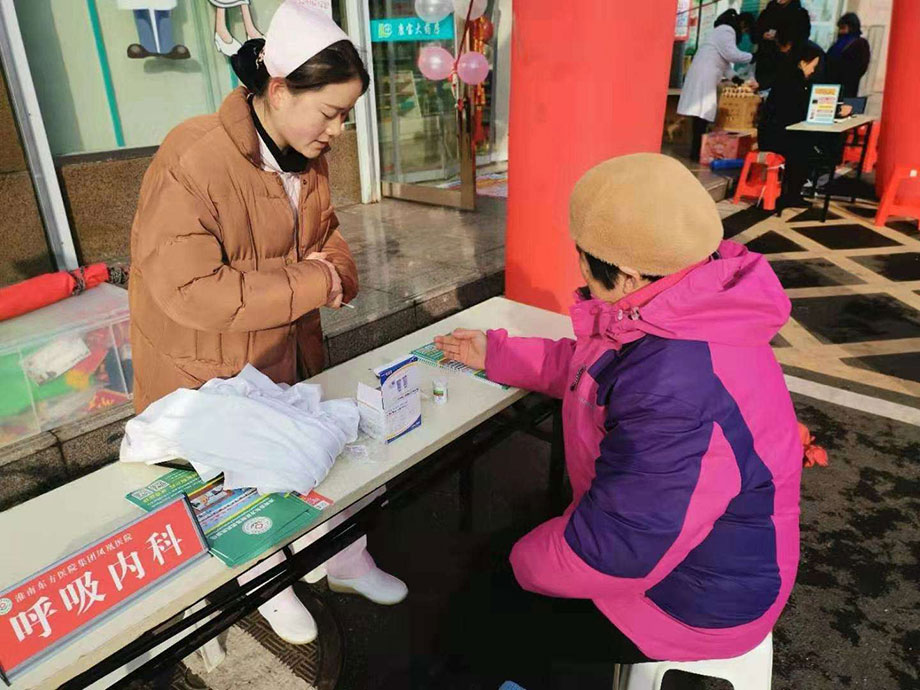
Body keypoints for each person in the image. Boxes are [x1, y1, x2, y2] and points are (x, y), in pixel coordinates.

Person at [435, 154, 802, 688]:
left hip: (696, 599)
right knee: (509, 563)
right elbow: (596, 368)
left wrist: (517, 561)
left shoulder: (676, 386)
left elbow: (618, 552)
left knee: (489, 604)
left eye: (583, 254)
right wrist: (498, 354)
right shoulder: (687, 299)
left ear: (627, 272)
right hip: (685, 552)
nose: (578, 266)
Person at [129, 0, 407, 646]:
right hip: (207, 372)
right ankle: (266, 583)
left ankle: (343, 559)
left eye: (346, 115)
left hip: (283, 349)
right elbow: (190, 289)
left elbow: (328, 238)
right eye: (330, 112)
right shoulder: (193, 157)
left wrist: (335, 273)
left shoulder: (306, 154)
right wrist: (316, 281)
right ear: (279, 90)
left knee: (320, 456)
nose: (338, 130)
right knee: (247, 484)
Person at [758, 39, 843, 208]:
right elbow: (799, 110)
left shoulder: (792, 79)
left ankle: (793, 193)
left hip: (783, 132)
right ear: (802, 63)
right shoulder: (792, 82)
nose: (813, 70)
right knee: (806, 150)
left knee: (806, 145)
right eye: (813, 66)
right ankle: (791, 195)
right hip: (776, 136)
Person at [677, 9, 753, 161]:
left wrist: (736, 79)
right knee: (701, 115)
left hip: (704, 73)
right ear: (743, 24)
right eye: (745, 30)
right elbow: (732, 55)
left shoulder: (720, 31)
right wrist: (754, 57)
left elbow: (724, 62)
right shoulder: (727, 30)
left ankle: (697, 150)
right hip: (705, 75)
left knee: (700, 116)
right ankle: (697, 152)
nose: (744, 33)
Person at [752, 0, 811, 90]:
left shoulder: (800, 14)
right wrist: (763, 35)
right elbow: (755, 35)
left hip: (788, 61)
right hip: (765, 60)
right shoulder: (767, 12)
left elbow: (802, 38)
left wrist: (786, 44)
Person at [827, 13, 871, 97]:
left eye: (843, 28)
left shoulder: (860, 44)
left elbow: (860, 67)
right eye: (840, 28)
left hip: (847, 88)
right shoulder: (838, 44)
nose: (840, 31)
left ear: (851, 27)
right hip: (830, 87)